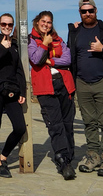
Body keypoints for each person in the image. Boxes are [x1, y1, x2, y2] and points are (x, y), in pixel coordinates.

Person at [67, 0, 103, 177]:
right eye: (84, 11)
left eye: (90, 11)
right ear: (80, 13)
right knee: (89, 122)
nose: (87, 14)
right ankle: (93, 156)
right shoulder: (74, 32)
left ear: (96, 11)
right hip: (82, 83)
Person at [28, 10, 76, 180]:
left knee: (67, 123)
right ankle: (63, 160)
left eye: (49, 22)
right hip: (45, 87)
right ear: (37, 22)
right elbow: (34, 59)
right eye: (43, 21)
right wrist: (44, 44)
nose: (46, 25)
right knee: (55, 125)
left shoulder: (58, 39)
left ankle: (69, 156)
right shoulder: (31, 39)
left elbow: (68, 58)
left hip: (64, 84)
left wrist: (51, 61)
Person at [0, 13, 27, 178]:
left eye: (10, 25)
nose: (7, 27)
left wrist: (22, 91)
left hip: (12, 92)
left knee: (20, 127)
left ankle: (4, 156)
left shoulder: (15, 46)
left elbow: (19, 70)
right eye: (4, 24)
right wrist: (2, 48)